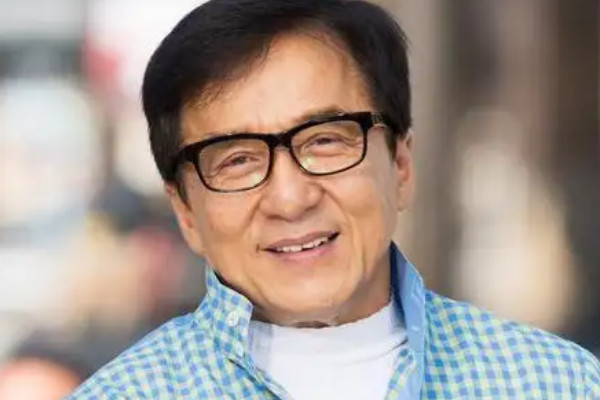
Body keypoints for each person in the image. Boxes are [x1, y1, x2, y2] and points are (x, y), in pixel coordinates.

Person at [69, 0, 600, 398]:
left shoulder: (556, 383)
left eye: (325, 141)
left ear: (400, 164)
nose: (290, 198)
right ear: (185, 211)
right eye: (237, 160)